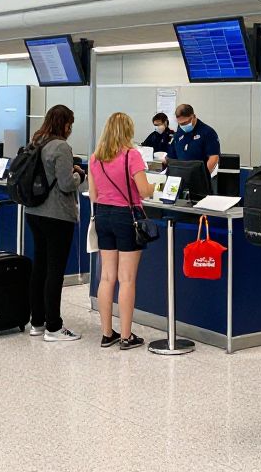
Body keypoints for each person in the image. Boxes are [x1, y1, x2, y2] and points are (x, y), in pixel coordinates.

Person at [89, 111, 156, 351]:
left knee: (107, 277)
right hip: (127, 218)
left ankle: (107, 333)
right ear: (127, 131)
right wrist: (156, 184)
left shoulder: (95, 157)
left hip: (103, 217)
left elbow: (94, 195)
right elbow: (144, 191)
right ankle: (127, 336)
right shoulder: (132, 156)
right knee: (126, 279)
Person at [24, 105, 84, 342]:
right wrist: (80, 175)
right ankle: (54, 327)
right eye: (70, 123)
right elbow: (67, 184)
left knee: (39, 266)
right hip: (57, 215)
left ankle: (37, 322)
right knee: (55, 270)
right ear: (65, 124)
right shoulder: (61, 146)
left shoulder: (36, 142)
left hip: (34, 211)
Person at [165, 104, 220, 175]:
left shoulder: (207, 132)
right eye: (180, 123)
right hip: (181, 175)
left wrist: (204, 177)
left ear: (193, 116)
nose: (182, 126)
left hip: (200, 176)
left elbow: (214, 157)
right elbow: (171, 157)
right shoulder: (179, 133)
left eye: (185, 123)